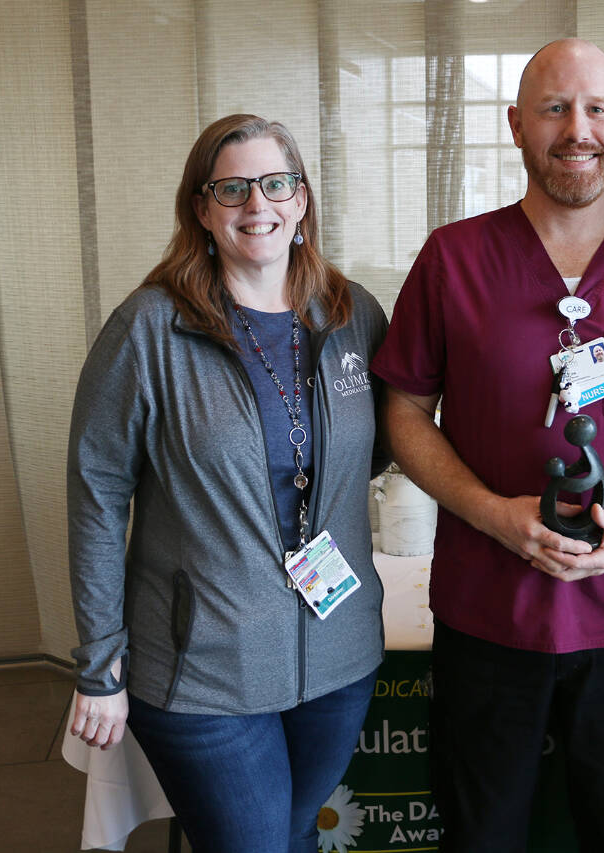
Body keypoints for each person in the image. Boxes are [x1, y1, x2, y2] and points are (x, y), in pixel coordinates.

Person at [371, 38, 604, 853]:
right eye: (555, 108)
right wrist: (490, 512)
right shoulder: (453, 260)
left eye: (597, 109)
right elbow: (404, 413)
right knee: (480, 837)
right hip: (487, 615)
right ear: (516, 125)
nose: (578, 129)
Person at [66, 114, 388, 853]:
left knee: (296, 831)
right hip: (203, 666)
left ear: (301, 200)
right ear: (202, 209)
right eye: (232, 188)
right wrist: (99, 660)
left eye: (276, 184)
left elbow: (370, 450)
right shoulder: (148, 328)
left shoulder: (353, 314)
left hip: (339, 654)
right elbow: (96, 495)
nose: (257, 204)